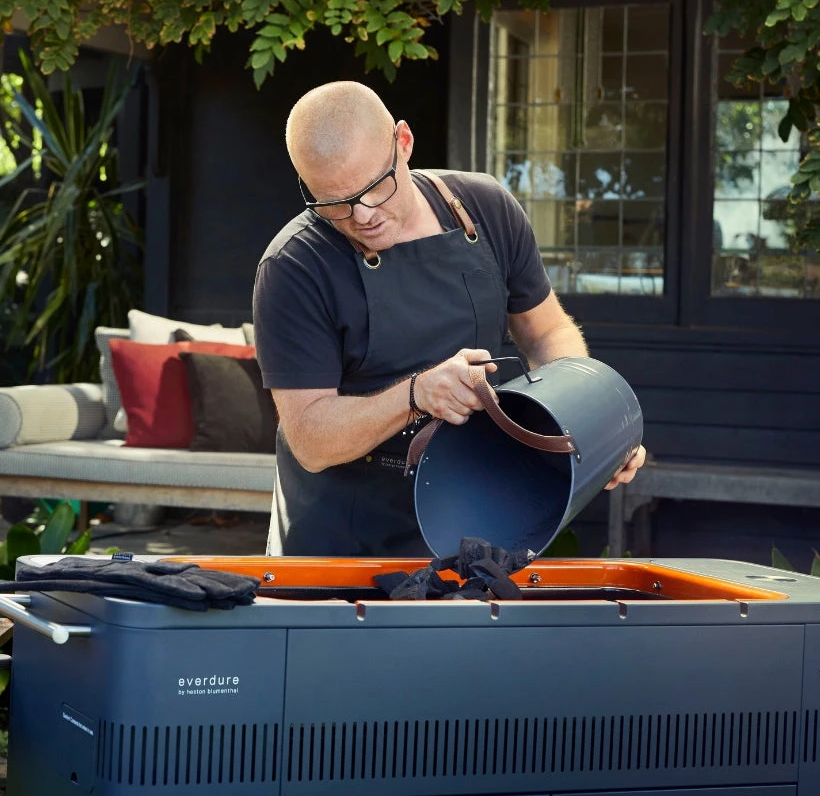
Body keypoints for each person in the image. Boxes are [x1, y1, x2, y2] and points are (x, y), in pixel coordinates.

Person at [253, 81, 646, 557]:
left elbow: (546, 333)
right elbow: (310, 440)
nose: (363, 215)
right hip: (342, 540)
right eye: (335, 203)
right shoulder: (295, 266)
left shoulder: (486, 207)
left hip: (477, 510)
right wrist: (417, 395)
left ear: (403, 142)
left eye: (375, 188)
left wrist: (589, 424)